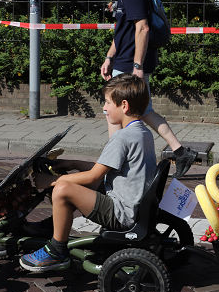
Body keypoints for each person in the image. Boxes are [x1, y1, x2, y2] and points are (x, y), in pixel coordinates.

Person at [20, 74, 156, 272]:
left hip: (122, 213)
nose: (104, 108)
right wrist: (71, 163)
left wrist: (51, 181)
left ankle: (57, 251)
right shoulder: (142, 132)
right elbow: (103, 167)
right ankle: (54, 226)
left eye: (108, 102)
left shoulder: (122, 137)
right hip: (134, 205)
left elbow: (94, 176)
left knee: (64, 189)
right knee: (75, 183)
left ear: (124, 106)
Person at [99, 0, 197, 178]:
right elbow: (122, 30)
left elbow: (142, 27)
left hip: (130, 63)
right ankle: (180, 152)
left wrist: (137, 67)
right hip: (122, 60)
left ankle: (116, 162)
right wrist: (108, 57)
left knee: (115, 112)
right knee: (140, 111)